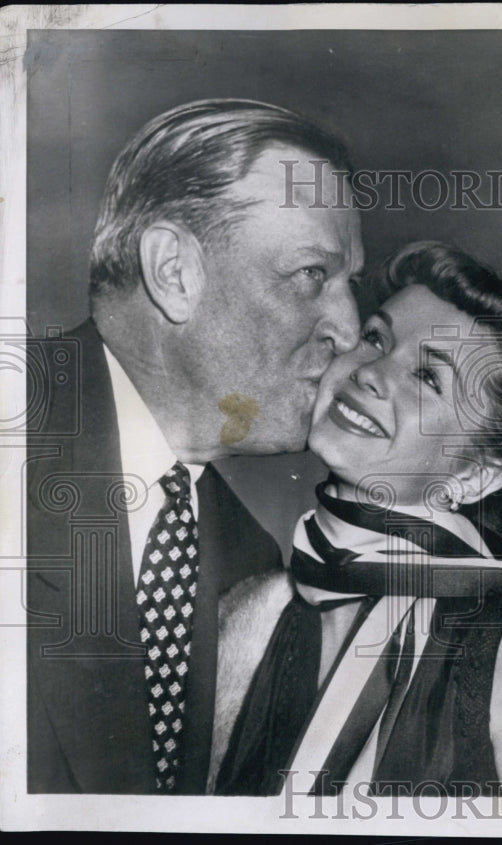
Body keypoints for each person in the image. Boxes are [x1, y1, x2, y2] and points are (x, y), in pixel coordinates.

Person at [26, 99, 363, 794]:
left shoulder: (250, 562)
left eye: (348, 284)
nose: (349, 331)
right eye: (310, 275)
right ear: (175, 272)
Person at [208, 242, 502, 797]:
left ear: (474, 476)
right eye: (376, 337)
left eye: (427, 377)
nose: (372, 372)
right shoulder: (255, 605)